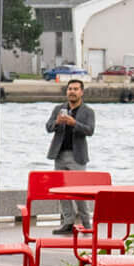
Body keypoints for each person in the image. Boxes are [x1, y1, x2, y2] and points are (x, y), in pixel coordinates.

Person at [45, 78, 97, 230]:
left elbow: (90, 130)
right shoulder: (58, 108)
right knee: (61, 191)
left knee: (80, 192)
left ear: (81, 92)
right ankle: (68, 222)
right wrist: (57, 122)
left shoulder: (88, 111)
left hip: (77, 156)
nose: (72, 92)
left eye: (75, 89)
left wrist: (73, 123)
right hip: (59, 155)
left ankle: (87, 222)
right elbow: (48, 127)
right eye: (70, 89)